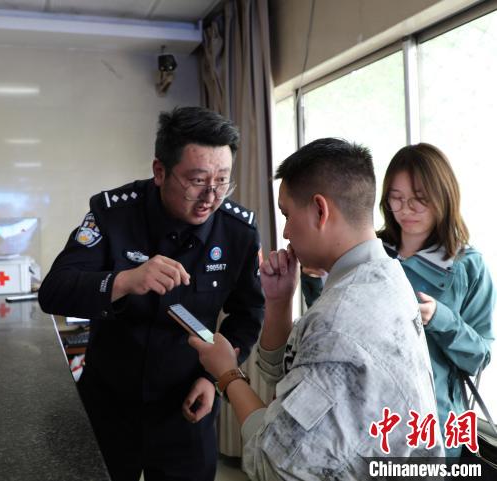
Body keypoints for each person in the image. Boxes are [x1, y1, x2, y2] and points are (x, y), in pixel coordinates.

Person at [189, 138, 444, 480]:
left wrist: (228, 374)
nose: (285, 232)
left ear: (320, 211)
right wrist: (279, 302)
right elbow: (292, 381)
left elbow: (273, 466)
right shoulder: (385, 274)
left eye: (287, 215)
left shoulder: (339, 319)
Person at [39, 106, 265, 480]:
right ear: (160, 171)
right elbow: (54, 291)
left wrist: (214, 378)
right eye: (197, 181)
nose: (210, 197)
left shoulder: (237, 231)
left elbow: (248, 315)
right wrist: (124, 281)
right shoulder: (113, 213)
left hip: (187, 406)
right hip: (109, 404)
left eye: (222, 181)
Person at [377, 143, 495, 458]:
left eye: (419, 199)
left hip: (435, 428)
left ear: (443, 196)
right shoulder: (372, 252)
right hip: (370, 420)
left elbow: (480, 357)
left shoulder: (467, 265)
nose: (405, 209)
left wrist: (440, 318)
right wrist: (312, 280)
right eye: (397, 198)